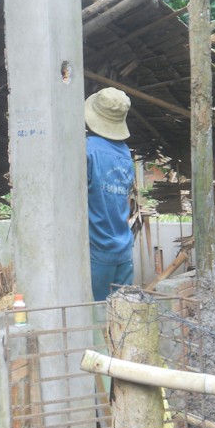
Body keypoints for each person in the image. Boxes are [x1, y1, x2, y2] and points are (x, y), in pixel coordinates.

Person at [85, 87, 136, 302]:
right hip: (123, 248)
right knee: (122, 319)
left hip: (97, 250)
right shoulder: (125, 154)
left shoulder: (86, 150)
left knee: (96, 320)